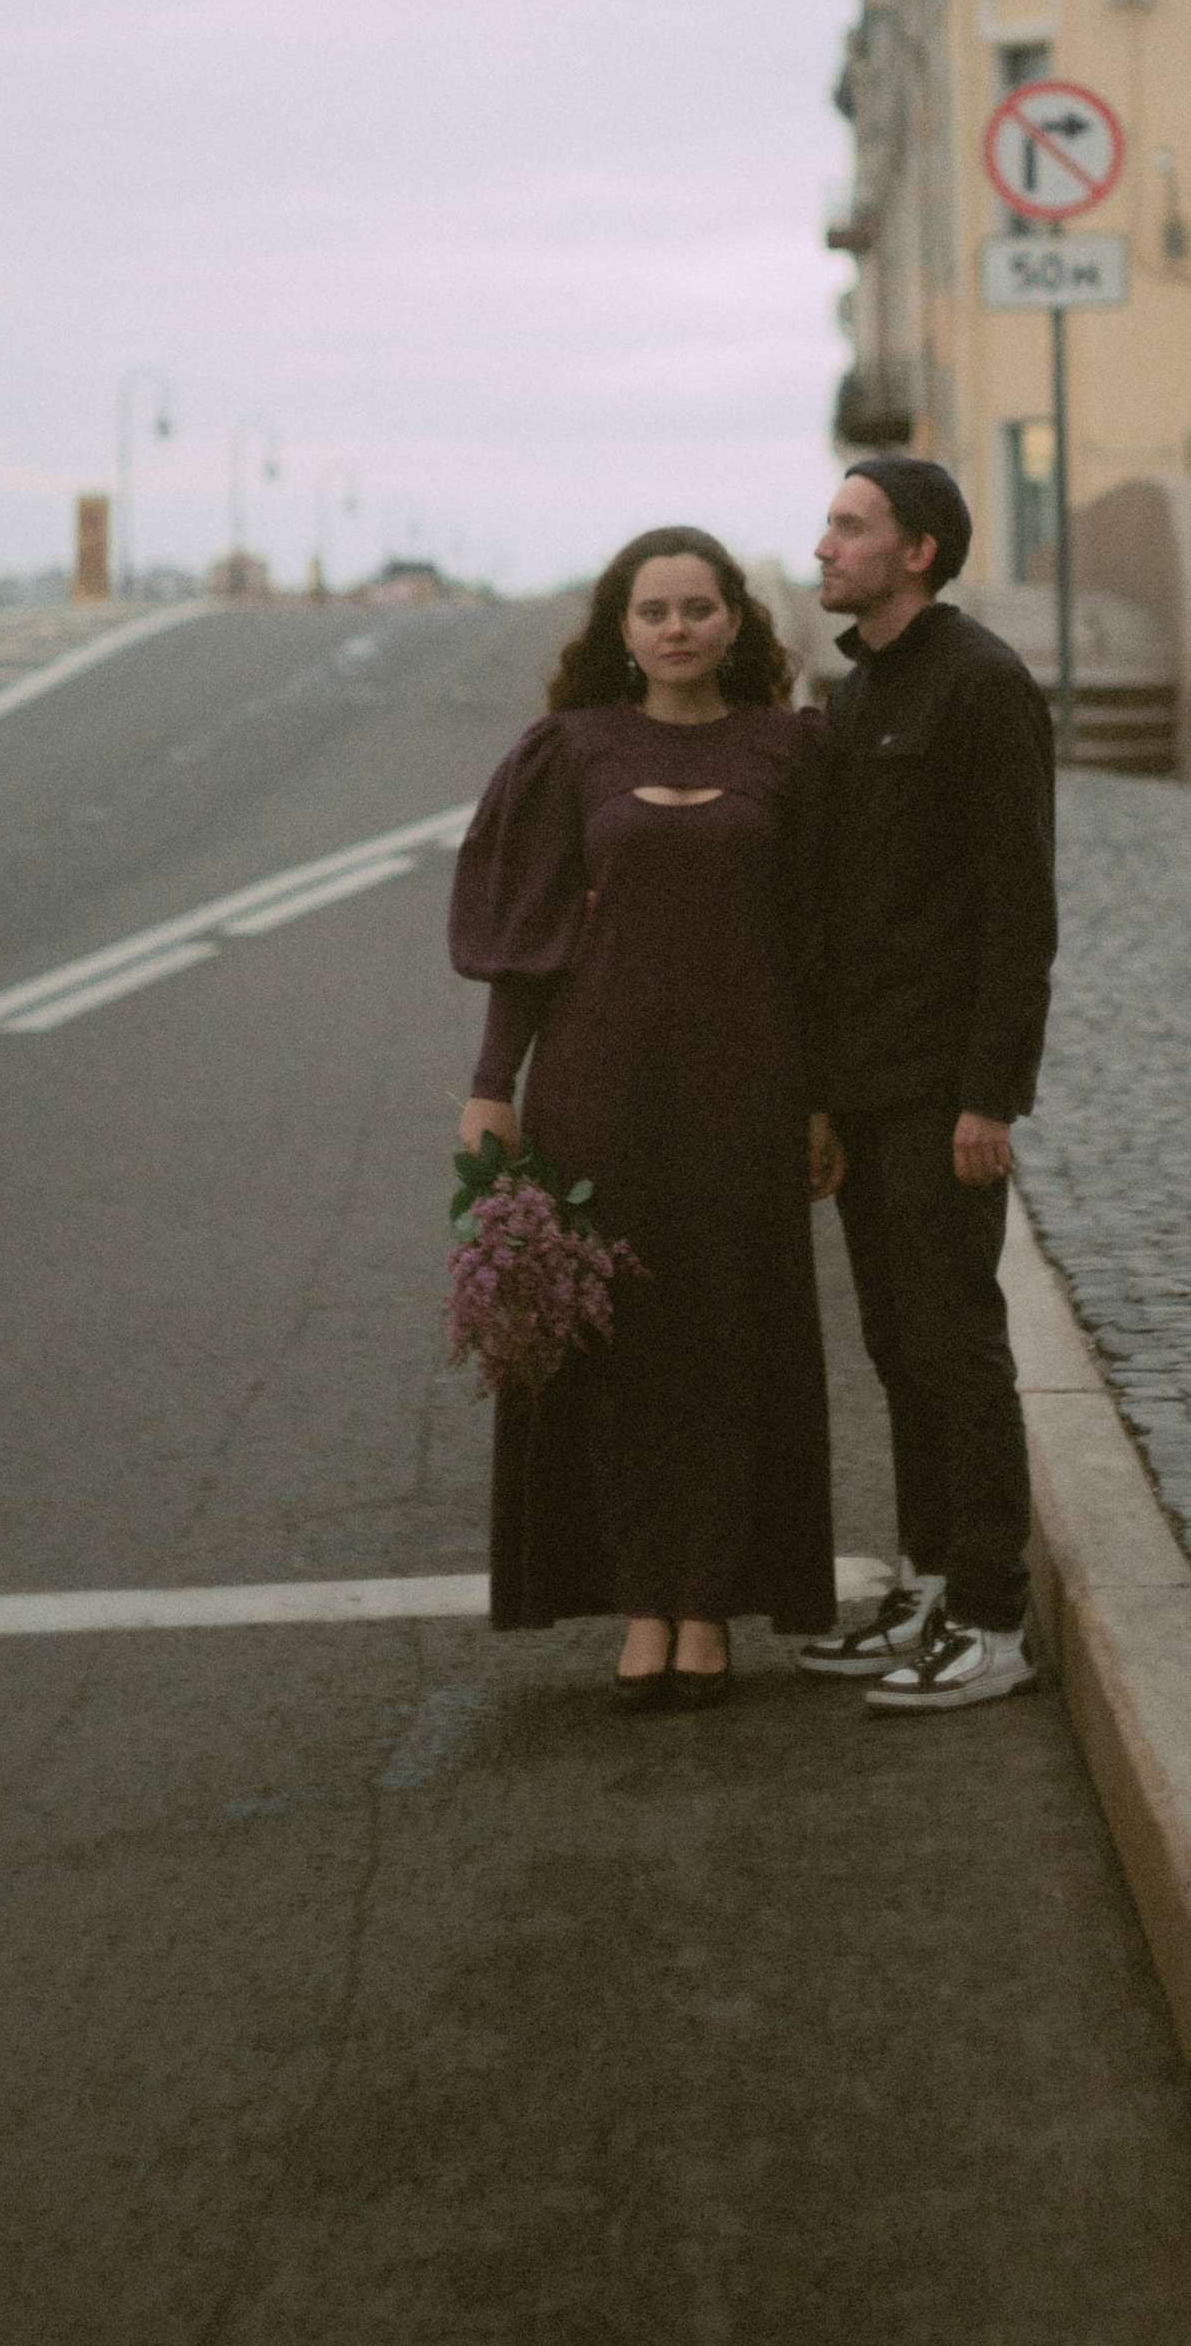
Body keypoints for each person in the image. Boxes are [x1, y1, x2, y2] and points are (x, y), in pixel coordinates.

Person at [448, 528, 842, 1711]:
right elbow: (526, 942)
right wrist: (489, 1086)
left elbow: (818, 944)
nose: (677, 627)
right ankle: (637, 1601)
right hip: (597, 1091)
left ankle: (708, 1603)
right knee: (614, 1348)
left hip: (746, 1090)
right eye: (653, 609)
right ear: (620, 629)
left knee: (729, 1343)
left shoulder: (794, 750)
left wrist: (824, 1097)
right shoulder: (567, 753)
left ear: (737, 623)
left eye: (699, 607)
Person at [797, 456, 1057, 1714]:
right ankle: (930, 1574)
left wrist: (990, 1096)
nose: (824, 543)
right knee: (899, 1344)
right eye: (829, 523)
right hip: (864, 1078)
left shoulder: (983, 686)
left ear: (920, 549)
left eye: (850, 526)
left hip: (943, 1088)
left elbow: (1020, 911)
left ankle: (994, 1616)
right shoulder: (854, 696)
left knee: (957, 1342)